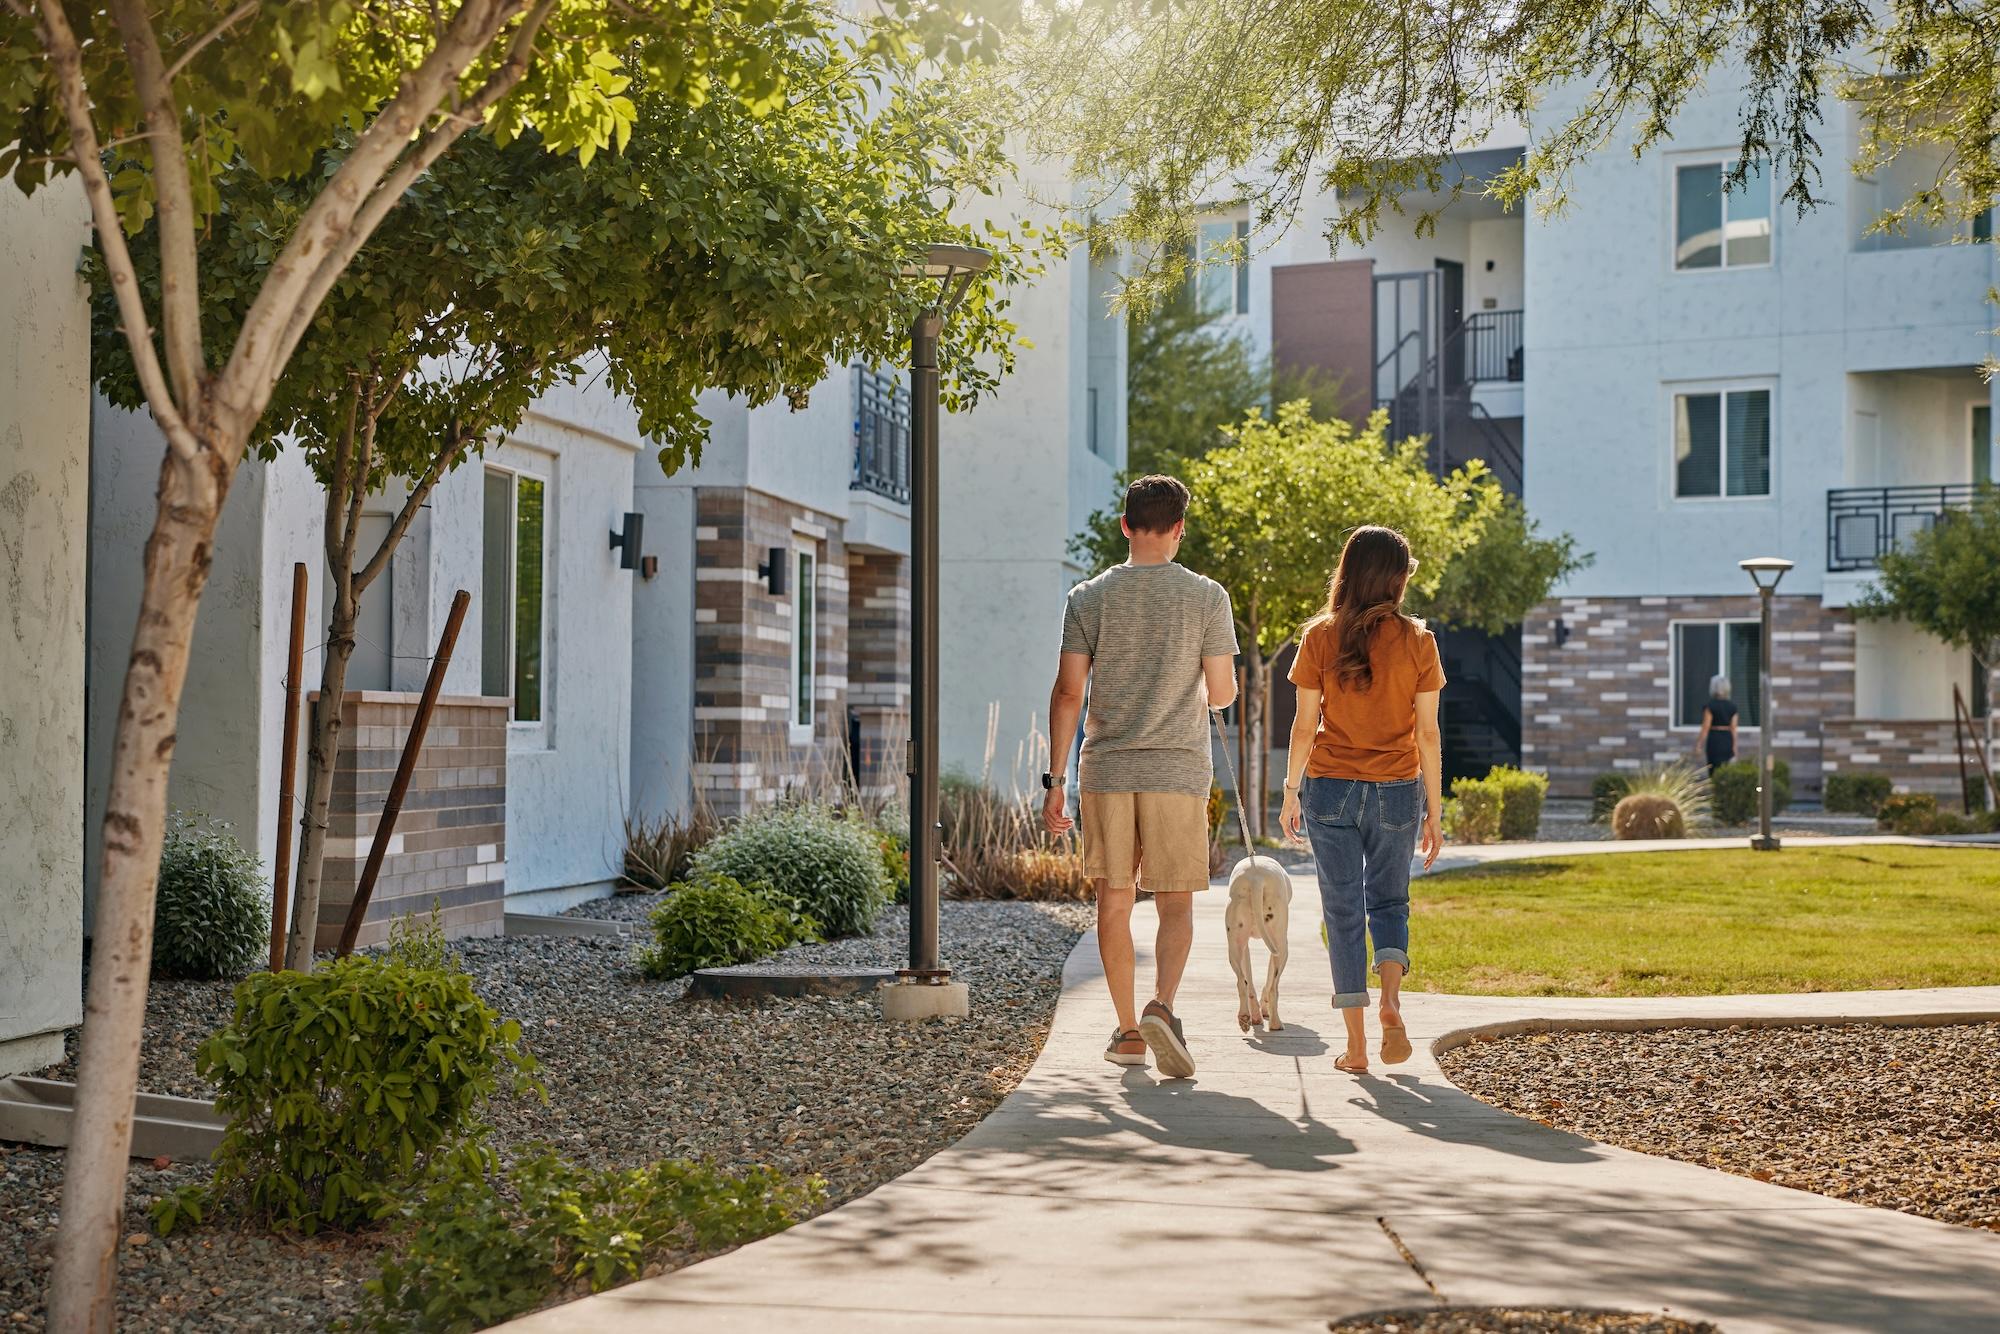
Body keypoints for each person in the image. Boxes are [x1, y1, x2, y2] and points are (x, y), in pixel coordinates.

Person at [1043, 474, 1238, 1077]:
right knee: (1175, 902)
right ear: (1179, 529)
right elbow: (1222, 693)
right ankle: (1163, 1007)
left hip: (1107, 769)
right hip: (1177, 769)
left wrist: (1054, 781)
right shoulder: (1207, 597)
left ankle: (1128, 1031)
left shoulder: (1088, 597)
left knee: (1115, 900)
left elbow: (1068, 693)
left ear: (1125, 525)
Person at [1278, 526, 1443, 1076]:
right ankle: (1391, 1002)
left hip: (1330, 787)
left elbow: (1304, 726)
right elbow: (1428, 734)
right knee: (1390, 902)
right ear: (1395, 579)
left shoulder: (1320, 637)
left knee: (1343, 909)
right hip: (1398, 789)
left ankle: (1356, 1046)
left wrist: (1291, 791)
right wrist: (1434, 811)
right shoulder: (1419, 641)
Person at [1694, 674, 1739, 775]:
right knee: (1726, 771)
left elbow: (1705, 727)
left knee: (1714, 770)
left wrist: (1699, 745)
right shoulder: (1732, 706)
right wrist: (1734, 748)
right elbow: (1734, 728)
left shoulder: (1710, 706)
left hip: (1714, 739)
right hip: (1728, 739)